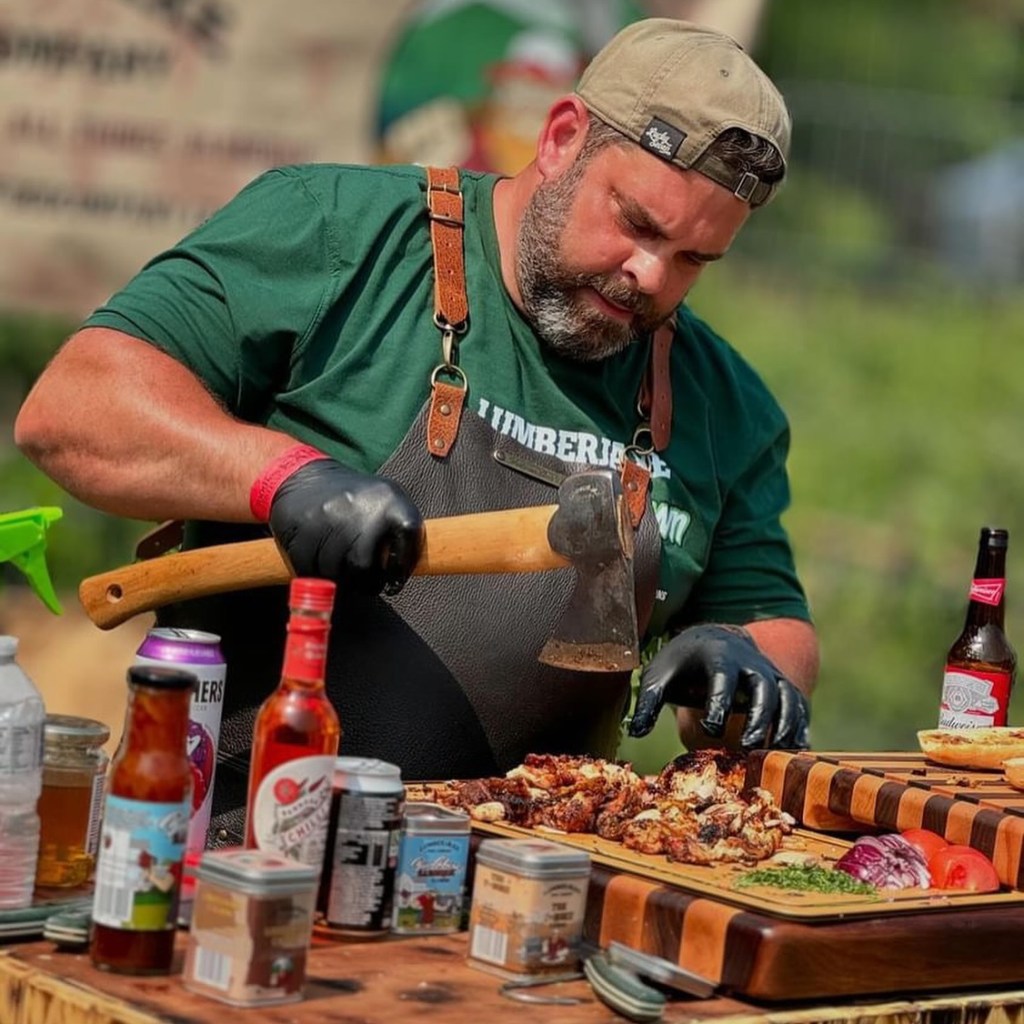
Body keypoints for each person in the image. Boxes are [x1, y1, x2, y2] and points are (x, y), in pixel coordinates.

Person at [15, 19, 819, 847]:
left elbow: (778, 627)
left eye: (692, 260)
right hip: (232, 860)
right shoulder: (337, 232)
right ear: (561, 138)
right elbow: (73, 407)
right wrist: (283, 478)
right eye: (639, 224)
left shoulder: (726, 403)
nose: (651, 275)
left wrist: (745, 661)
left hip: (527, 902)